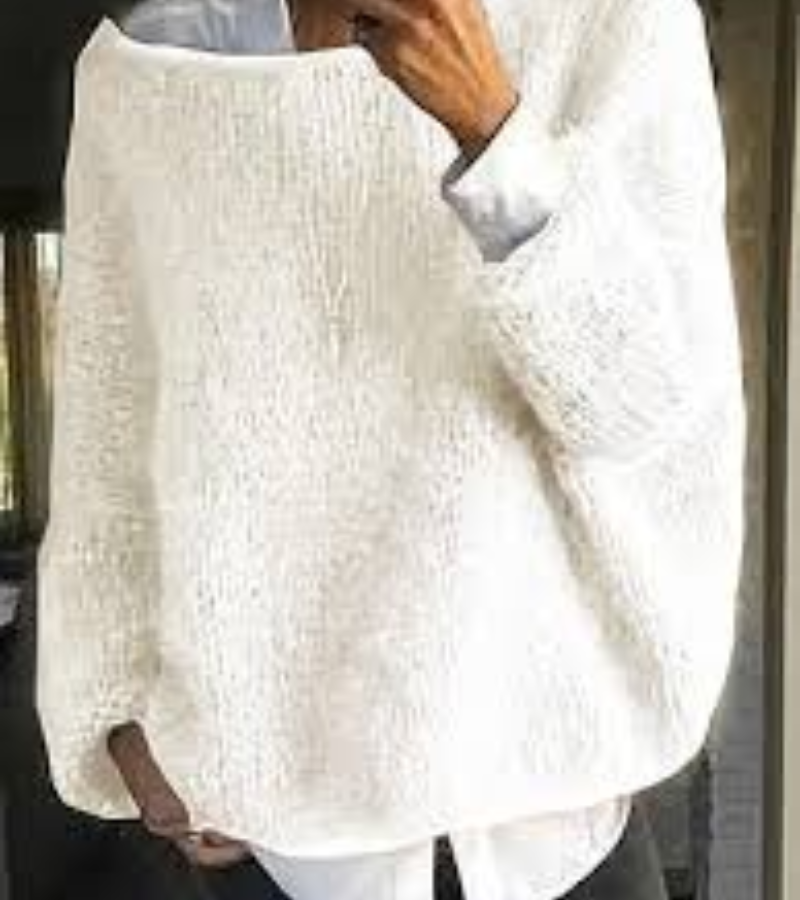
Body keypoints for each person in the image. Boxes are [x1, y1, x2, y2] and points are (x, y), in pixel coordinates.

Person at [34, 0, 746, 897]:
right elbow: (110, 415)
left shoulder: (617, 24)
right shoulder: (163, 58)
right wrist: (116, 718)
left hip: (554, 832)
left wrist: (492, 127)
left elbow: (643, 407)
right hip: (273, 842)